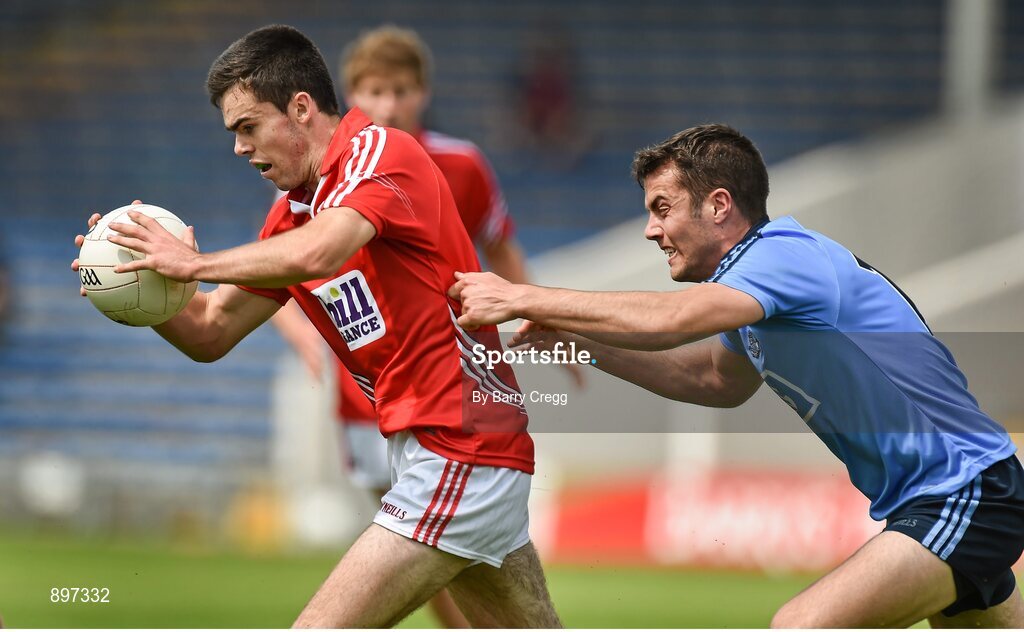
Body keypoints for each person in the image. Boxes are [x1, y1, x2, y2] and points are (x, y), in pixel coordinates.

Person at [72, 25, 560, 628]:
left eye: (248, 127)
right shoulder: (291, 215)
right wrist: (136, 289)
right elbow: (211, 331)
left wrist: (194, 262)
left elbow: (320, 253)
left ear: (301, 108)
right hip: (437, 449)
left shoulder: (382, 153)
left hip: (462, 445)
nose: (239, 148)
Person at [451, 123, 1024, 627]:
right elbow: (711, 381)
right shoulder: (752, 285)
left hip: (963, 489)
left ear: (719, 205)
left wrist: (525, 296)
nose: (652, 231)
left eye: (662, 208)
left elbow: (673, 323)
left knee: (802, 626)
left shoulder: (778, 256)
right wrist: (581, 343)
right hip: (932, 496)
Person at [268, 25, 537, 628]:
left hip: (455, 403)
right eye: (374, 91)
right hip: (371, 398)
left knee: (422, 544)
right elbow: (286, 274)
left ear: (424, 93)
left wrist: (538, 314)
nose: (388, 105)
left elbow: (502, 248)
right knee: (428, 549)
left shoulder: (459, 165)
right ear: (349, 97)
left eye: (402, 90)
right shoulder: (315, 190)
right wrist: (297, 331)